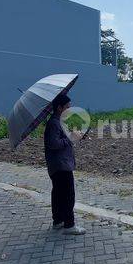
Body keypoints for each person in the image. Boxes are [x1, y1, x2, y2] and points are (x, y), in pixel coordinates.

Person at [44, 94, 86, 235]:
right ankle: (69, 225)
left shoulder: (58, 121)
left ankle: (58, 221)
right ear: (59, 108)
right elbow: (54, 143)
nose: (69, 109)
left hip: (58, 164)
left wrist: (73, 135)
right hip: (61, 165)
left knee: (58, 194)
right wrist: (70, 138)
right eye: (67, 107)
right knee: (68, 195)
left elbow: (63, 137)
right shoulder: (54, 123)